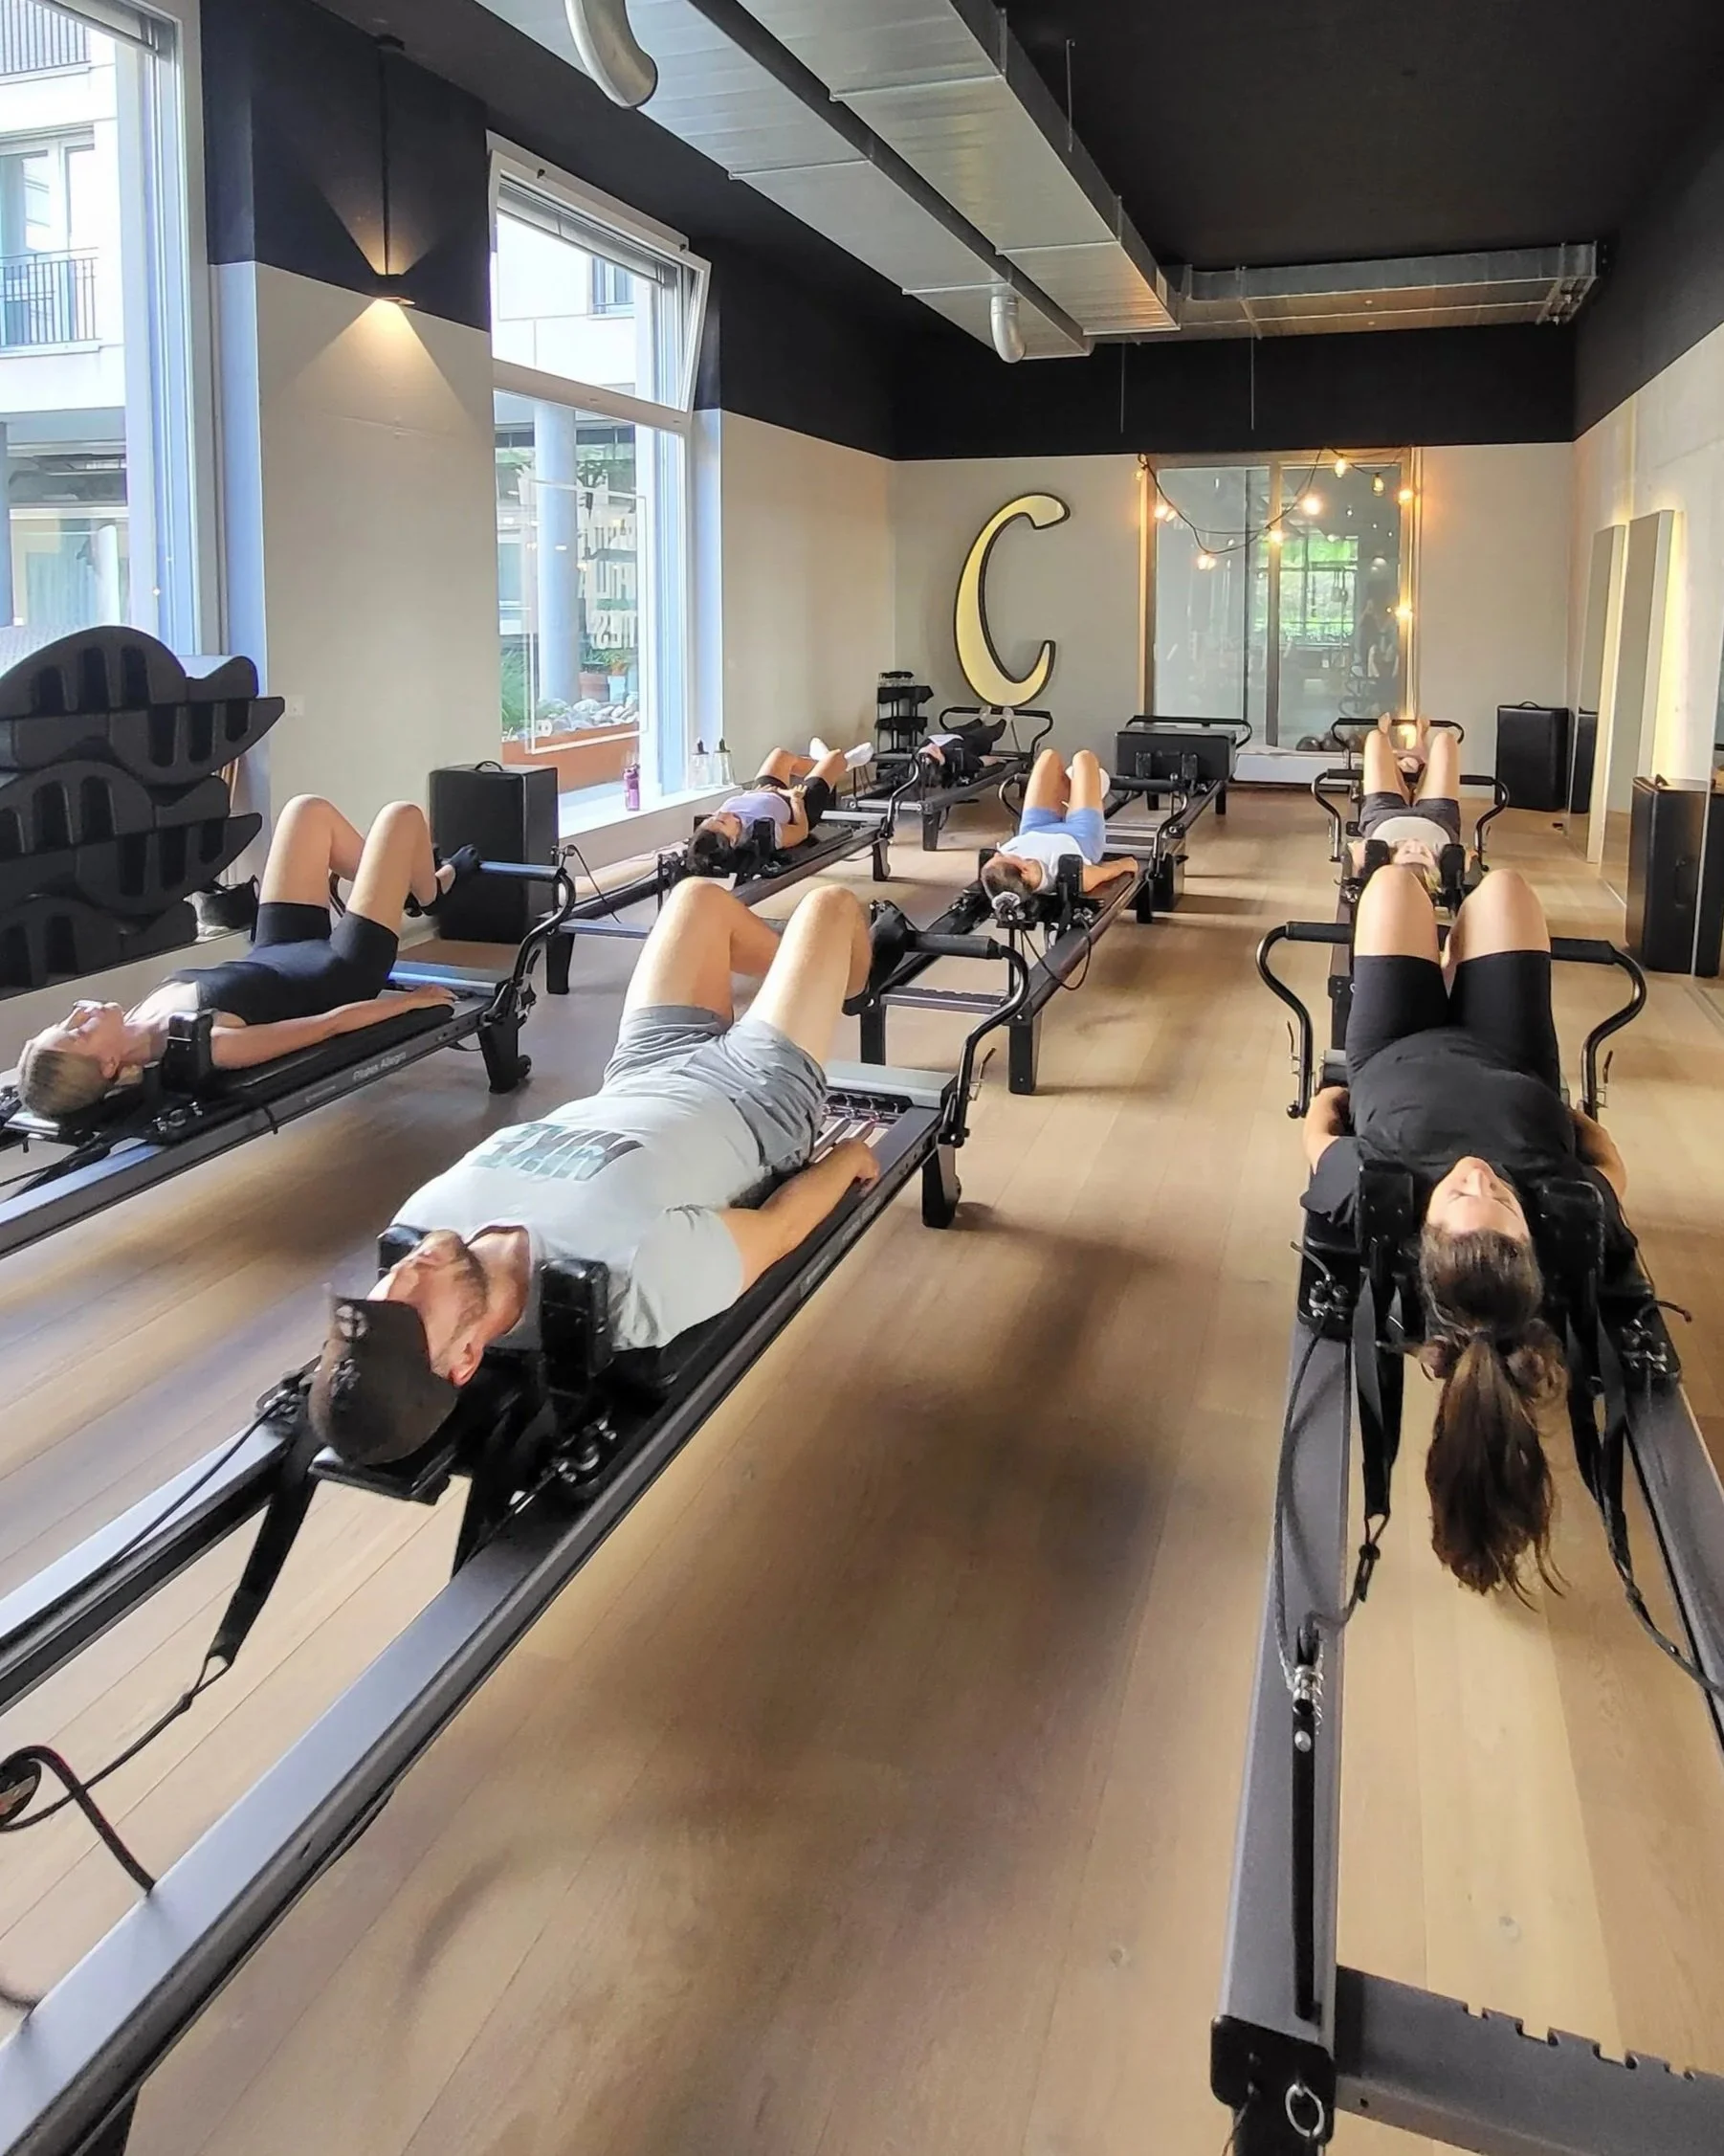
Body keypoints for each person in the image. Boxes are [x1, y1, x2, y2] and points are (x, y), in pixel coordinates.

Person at [307, 878, 893, 1466]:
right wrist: (846, 1162)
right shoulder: (629, 1280)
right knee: (829, 907)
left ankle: (814, 975)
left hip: (639, 1071)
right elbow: (778, 1230)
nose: (406, 1275)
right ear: (465, 1359)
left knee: (697, 900)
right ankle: (854, 980)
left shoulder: (422, 1224)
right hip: (754, 1098)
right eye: (408, 1313)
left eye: (380, 1297)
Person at [1300, 862, 1634, 1599]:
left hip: (1394, 1046)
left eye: (1460, 1193)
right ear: (1528, 1225)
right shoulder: (1561, 1208)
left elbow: (1319, 1130)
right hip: (1512, 1055)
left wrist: (1335, 1096)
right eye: (1501, 1197)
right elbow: (1610, 1162)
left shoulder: (1378, 1194)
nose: (1479, 1173)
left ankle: (1441, 940)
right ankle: (1457, 949)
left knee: (1391, 887)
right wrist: (1567, 1124)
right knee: (1508, 885)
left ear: (1427, 1227)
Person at [14, 795, 471, 1119]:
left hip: (277, 949)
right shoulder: (208, 1045)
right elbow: (324, 1025)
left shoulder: (134, 1017)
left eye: (66, 1022)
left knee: (307, 811)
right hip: (342, 968)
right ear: (110, 1066)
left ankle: (403, 881)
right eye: (79, 1033)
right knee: (401, 817)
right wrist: (410, 1002)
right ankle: (431, 890)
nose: (80, 1012)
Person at [978, 749, 1138, 909]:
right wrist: (1126, 864)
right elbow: (1106, 872)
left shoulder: (1005, 873)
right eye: (1004, 856)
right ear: (1025, 871)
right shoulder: (1066, 873)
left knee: (1049, 756)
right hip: (1080, 835)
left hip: (1034, 827)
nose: (999, 853)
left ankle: (1075, 791)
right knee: (1083, 758)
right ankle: (1085, 790)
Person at [688, 742, 870, 877]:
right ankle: (844, 763)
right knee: (836, 756)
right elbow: (801, 831)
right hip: (799, 804)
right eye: (720, 820)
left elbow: (743, 806)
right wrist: (795, 800)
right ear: (734, 839)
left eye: (712, 817)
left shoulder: (723, 821)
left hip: (766, 793)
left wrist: (754, 795)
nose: (719, 814)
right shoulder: (764, 831)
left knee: (780, 755)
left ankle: (824, 764)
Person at [1346, 714, 1466, 896]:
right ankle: (1417, 752)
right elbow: (1467, 862)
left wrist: (1357, 859)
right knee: (1446, 740)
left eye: (1408, 851)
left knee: (1376, 738)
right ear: (1435, 867)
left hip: (1383, 812)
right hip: (1438, 815)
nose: (1415, 845)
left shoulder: (1379, 855)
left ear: (1392, 860)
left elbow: (1355, 866)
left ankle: (1402, 756)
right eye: (1424, 854)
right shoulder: (1445, 859)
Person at [913, 715, 1008, 780]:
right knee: (989, 732)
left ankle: (981, 719)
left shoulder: (918, 758)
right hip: (971, 741)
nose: (930, 746)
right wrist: (998, 760)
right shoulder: (956, 757)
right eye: (933, 750)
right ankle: (1006, 719)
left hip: (950, 735)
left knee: (970, 726)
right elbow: (982, 761)